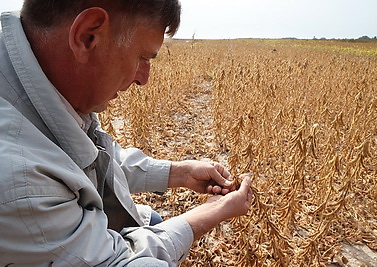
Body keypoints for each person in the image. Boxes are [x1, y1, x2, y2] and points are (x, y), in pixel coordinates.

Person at [0, 0, 253, 266]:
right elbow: (115, 263)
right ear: (87, 36)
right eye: (142, 57)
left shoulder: (42, 81)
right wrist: (212, 212)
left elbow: (86, 158)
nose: (144, 78)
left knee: (153, 220)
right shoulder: (21, 183)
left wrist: (180, 173)